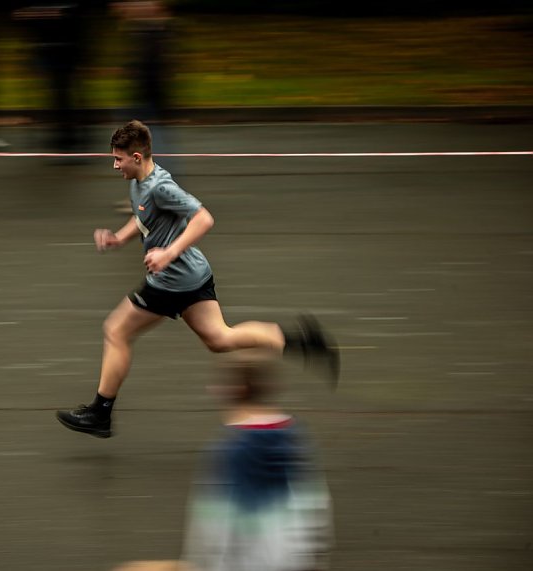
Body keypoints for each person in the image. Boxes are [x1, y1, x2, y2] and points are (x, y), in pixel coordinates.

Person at [56, 120, 338, 438]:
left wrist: (167, 254)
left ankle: (100, 413)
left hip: (171, 280)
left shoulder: (161, 186)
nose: (114, 164)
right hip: (194, 274)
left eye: (118, 158)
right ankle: (300, 341)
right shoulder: (141, 181)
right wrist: (119, 239)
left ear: (136, 156)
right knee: (221, 339)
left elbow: (204, 218)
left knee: (116, 331)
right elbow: (143, 215)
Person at [112, 350, 334, 571]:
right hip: (292, 559)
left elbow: (214, 525)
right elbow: (315, 503)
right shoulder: (295, 436)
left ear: (235, 390)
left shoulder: (232, 449)